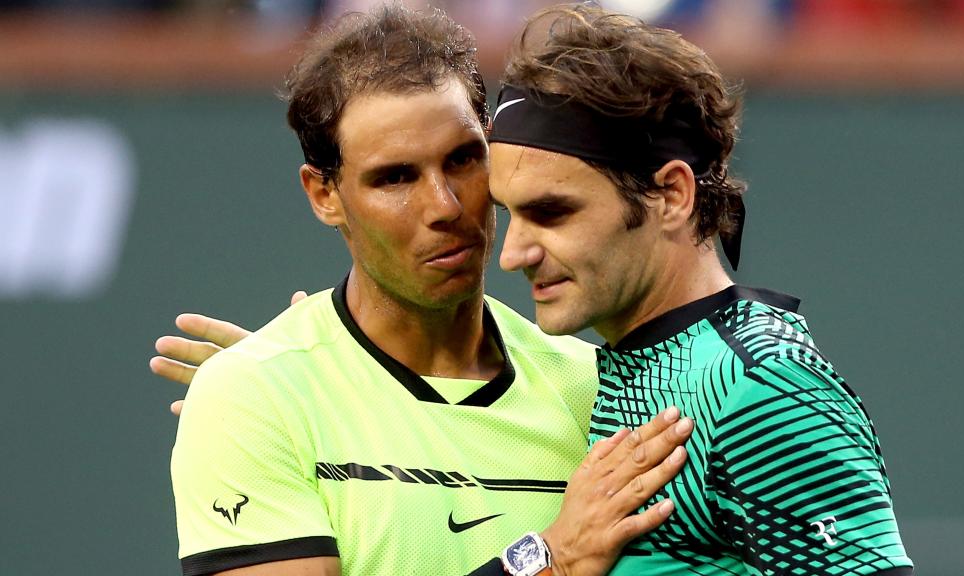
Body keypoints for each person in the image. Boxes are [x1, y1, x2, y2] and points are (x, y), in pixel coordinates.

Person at [165, 4, 692, 576]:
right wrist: (551, 559)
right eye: (395, 177)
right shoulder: (254, 398)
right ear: (324, 195)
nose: (445, 206)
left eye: (464, 159)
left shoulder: (600, 390)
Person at [482, 4, 914, 575]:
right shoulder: (622, 369)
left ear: (672, 196)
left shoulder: (758, 382)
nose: (513, 254)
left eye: (552, 213)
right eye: (509, 214)